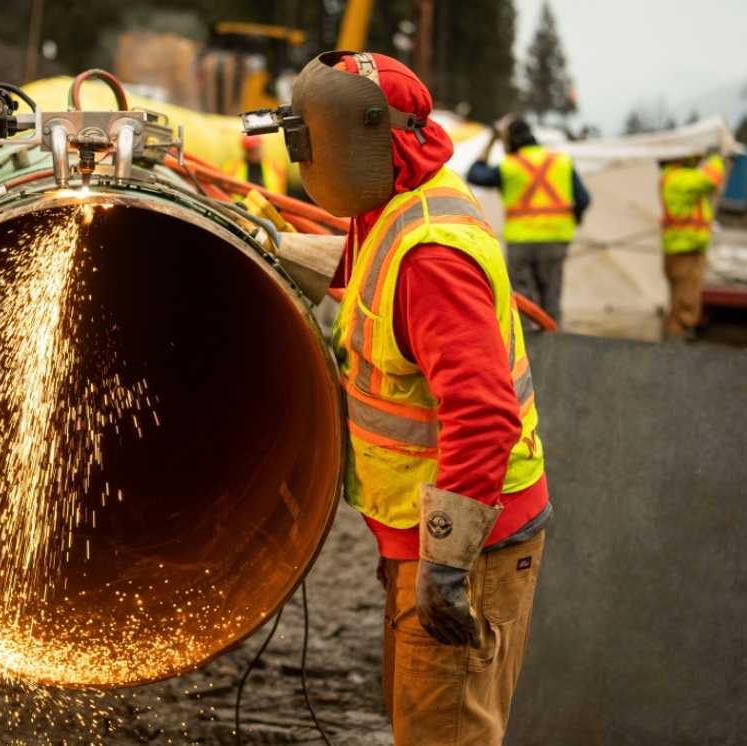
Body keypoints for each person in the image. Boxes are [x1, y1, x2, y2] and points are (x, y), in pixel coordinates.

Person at [289, 51, 551, 744]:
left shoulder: (432, 257)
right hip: (422, 531)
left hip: (470, 546)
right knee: (421, 723)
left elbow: (485, 416)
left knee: (447, 733)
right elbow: (362, 271)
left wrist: (445, 563)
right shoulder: (395, 203)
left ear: (362, 138)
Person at [466, 117, 591, 324]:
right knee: (551, 302)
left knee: (523, 305)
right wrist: (574, 218)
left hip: (521, 243)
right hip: (555, 240)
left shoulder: (508, 167)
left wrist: (491, 140)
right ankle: (554, 348)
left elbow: (475, 174)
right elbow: (584, 199)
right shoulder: (561, 161)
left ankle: (528, 352)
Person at [658, 152, 725, 340]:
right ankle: (676, 356)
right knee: (684, 310)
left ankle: (674, 351)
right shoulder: (677, 179)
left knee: (680, 306)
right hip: (684, 252)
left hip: (684, 251)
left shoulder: (673, 178)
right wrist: (718, 157)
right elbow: (711, 178)